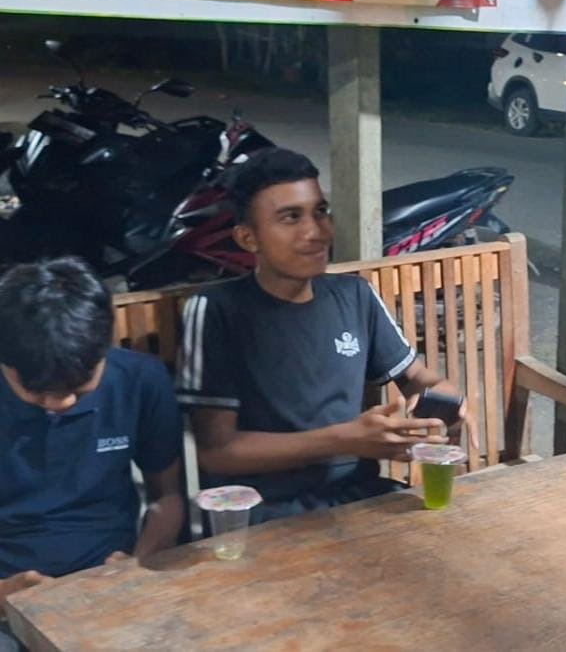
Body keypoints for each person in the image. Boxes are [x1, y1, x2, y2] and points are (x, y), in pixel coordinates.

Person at [176, 148, 464, 524]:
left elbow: (418, 378)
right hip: (266, 513)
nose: (317, 232)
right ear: (248, 238)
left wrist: (447, 400)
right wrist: (345, 439)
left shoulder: (355, 295)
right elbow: (217, 452)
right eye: (291, 217)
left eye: (320, 211)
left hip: (359, 496)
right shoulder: (217, 310)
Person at [0, 258, 183, 652]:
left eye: (79, 388)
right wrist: (4, 595)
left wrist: (138, 565)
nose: (61, 402)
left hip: (111, 582)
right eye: (38, 391)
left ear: (105, 348)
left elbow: (167, 498)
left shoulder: (140, 379)